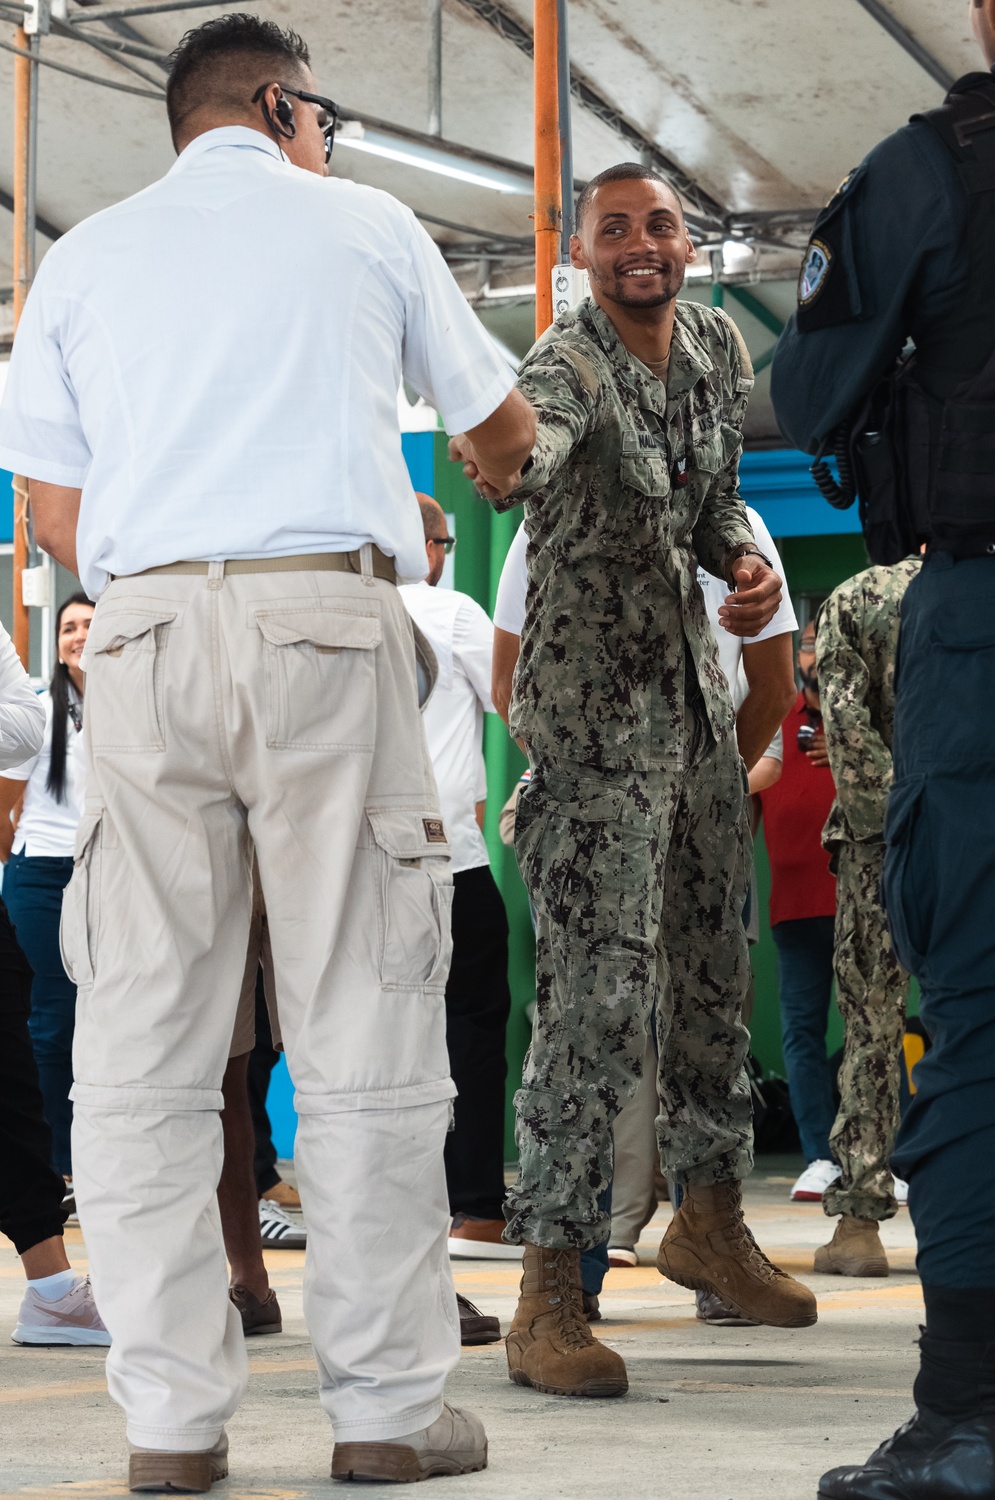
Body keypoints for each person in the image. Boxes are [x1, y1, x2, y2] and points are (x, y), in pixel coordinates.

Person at [0, 14, 535, 1492]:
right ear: (284, 103)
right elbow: (504, 436)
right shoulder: (363, 225)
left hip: (149, 642)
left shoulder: (82, 261)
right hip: (327, 621)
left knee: (143, 1045)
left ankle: (171, 1426)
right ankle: (384, 1412)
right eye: (326, 117)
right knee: (365, 1024)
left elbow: (53, 512)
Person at [452, 160, 815, 1404]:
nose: (639, 247)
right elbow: (525, 453)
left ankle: (710, 1226)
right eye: (614, 232)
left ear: (689, 244)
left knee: (718, 978)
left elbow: (712, 507)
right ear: (585, 255)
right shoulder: (563, 362)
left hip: (694, 722)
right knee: (594, 1011)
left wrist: (746, 573)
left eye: (658, 226)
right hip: (597, 739)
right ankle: (551, 1296)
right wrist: (501, 453)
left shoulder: (716, 349)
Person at [772, 3, 995, 1491]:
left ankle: (971, 1414)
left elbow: (809, 395)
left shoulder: (940, 167)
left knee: (979, 1013)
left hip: (988, 612)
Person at [490, 505, 797, 1309]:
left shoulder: (738, 532)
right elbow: (507, 681)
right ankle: (564, 1280)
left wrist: (705, 783)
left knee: (712, 1022)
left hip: (705, 813)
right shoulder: (549, 520)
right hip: (594, 812)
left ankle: (712, 1241)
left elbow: (772, 684)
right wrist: (596, 784)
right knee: (590, 1029)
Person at [400, 496, 514, 1271]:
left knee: (378, 1040)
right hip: (449, 852)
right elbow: (518, 697)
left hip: (351, 860)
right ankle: (474, 1208)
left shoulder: (335, 609)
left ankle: (396, 1212)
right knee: (471, 1029)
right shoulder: (451, 611)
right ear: (432, 547)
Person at [810, 559, 921, 1280]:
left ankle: (860, 1219)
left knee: (875, 1023)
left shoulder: (857, 597)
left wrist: (903, 816)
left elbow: (846, 731)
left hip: (883, 843)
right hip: (982, 833)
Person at [0, 613, 107, 1348]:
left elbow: (20, 728)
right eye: (66, 627)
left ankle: (51, 1286)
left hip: (100, 865)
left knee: (14, 1076)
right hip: (41, 870)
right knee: (38, 1038)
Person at [0, 593, 94, 1188]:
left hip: (109, 875)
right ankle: (55, 1166)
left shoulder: (134, 704)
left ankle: (97, 1161)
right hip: (41, 877)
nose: (79, 635)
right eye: (68, 628)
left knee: (103, 1025)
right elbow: (6, 812)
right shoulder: (38, 708)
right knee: (50, 1025)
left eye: (89, 623)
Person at [758, 622, 840, 1203]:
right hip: (793, 908)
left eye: (821, 644)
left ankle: (888, 1158)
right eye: (807, 644)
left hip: (863, 902)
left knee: (873, 1032)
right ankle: (820, 1157)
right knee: (803, 1035)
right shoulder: (772, 722)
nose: (813, 656)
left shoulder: (867, 723)